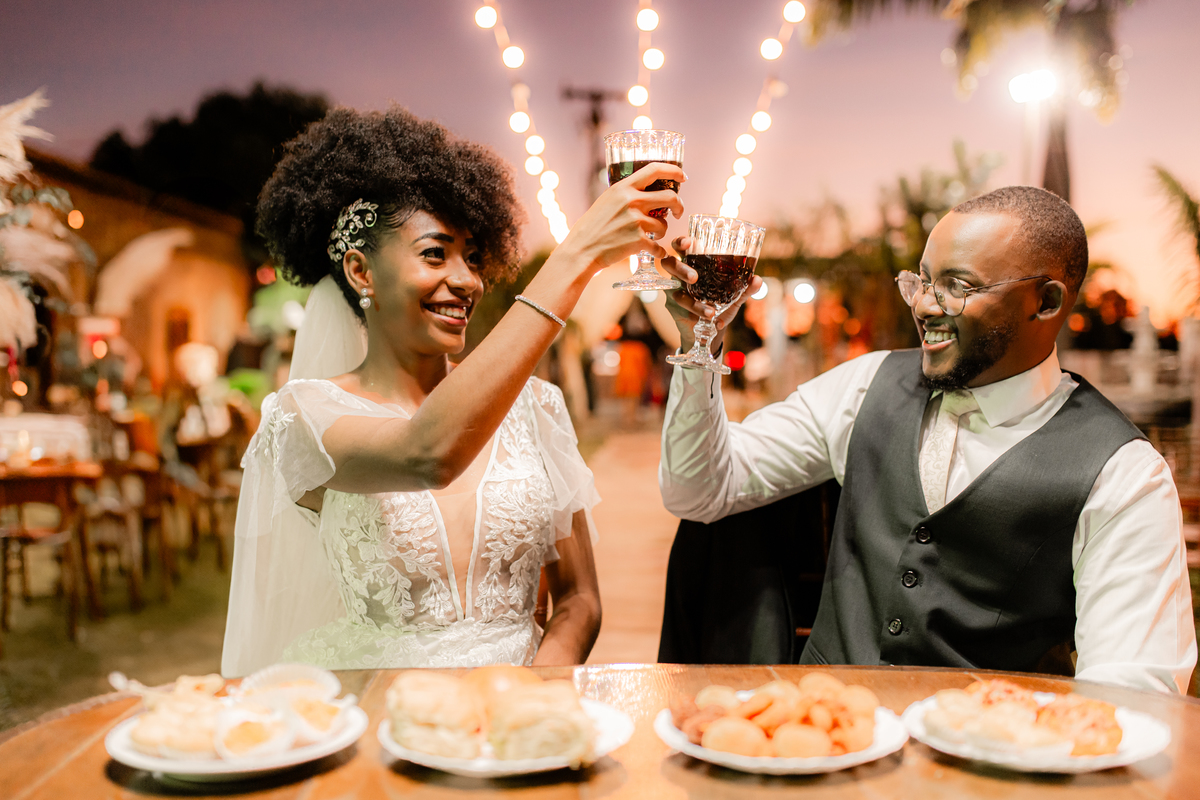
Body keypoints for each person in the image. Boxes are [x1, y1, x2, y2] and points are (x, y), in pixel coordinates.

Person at [658, 186, 1196, 693]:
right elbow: (701, 490)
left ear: (1047, 302)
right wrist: (699, 344)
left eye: (957, 287)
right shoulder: (864, 385)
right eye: (920, 281)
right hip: (823, 746)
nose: (924, 305)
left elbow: (1130, 695)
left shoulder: (1123, 473)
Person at [221, 106, 684, 676]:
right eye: (435, 253)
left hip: (522, 720)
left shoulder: (536, 409)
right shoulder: (303, 416)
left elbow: (579, 599)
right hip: (384, 714)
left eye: (473, 257)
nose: (467, 281)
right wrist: (577, 256)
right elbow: (427, 454)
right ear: (361, 271)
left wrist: (533, 691)